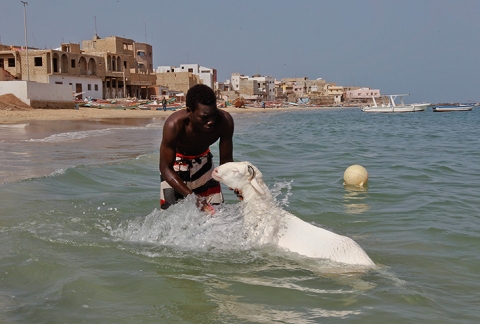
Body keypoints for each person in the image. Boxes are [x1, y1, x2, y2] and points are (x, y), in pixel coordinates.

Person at [159, 84, 236, 213]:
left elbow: (226, 162)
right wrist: (193, 198)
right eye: (204, 117)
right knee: (170, 219)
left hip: (204, 167)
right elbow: (165, 168)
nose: (211, 121)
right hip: (175, 170)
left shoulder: (225, 122)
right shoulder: (174, 125)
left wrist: (236, 185)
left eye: (214, 115)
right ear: (189, 111)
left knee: (217, 218)